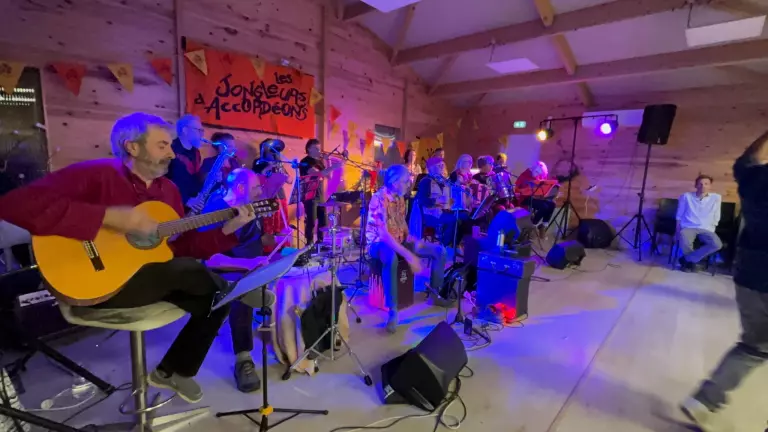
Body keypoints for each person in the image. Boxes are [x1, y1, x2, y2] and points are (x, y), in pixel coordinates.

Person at [0, 112, 263, 404]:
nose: (172, 154)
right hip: (98, 283)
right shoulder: (96, 175)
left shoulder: (168, 191)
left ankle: (173, 370)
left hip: (149, 279)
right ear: (132, 147)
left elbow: (180, 248)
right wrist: (108, 218)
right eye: (163, 145)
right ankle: (237, 290)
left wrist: (227, 230)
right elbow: (13, 205)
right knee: (192, 274)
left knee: (215, 298)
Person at [680, 131, 768, 431]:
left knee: (753, 347)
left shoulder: (754, 178)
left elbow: (745, 160)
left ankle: (705, 401)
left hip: (750, 275)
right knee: (756, 348)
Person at [201, 168, 274, 393]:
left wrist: (270, 241)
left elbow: (251, 240)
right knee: (241, 290)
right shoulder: (216, 211)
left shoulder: (249, 206)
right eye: (256, 187)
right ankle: (243, 358)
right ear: (240, 188)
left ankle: (288, 341)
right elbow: (211, 259)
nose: (260, 192)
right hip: (228, 270)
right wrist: (249, 264)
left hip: (255, 264)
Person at [366, 165, 445, 334]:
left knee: (439, 251)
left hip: (398, 240)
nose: (409, 184)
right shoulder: (378, 198)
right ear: (395, 182)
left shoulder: (401, 198)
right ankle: (393, 310)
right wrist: (409, 256)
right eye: (406, 181)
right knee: (390, 257)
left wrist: (416, 242)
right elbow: (384, 236)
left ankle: (434, 293)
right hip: (377, 243)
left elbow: (403, 226)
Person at [417, 157, 470, 246]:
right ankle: (444, 245)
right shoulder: (426, 181)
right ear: (430, 168)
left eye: (442, 165)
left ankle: (455, 244)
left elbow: (449, 197)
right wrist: (437, 200)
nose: (442, 167)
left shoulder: (443, 181)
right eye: (439, 166)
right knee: (454, 220)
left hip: (444, 212)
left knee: (466, 216)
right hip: (431, 214)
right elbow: (422, 200)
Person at [299, 139, 343, 245]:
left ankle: (320, 242)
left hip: (320, 195)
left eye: (319, 148)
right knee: (311, 221)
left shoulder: (319, 162)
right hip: (309, 195)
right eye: (316, 148)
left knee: (323, 221)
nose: (319, 151)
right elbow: (317, 174)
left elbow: (329, 176)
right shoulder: (305, 162)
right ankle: (309, 244)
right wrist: (332, 167)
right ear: (309, 149)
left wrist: (328, 161)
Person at [675, 174, 723, 272]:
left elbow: (717, 214)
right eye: (700, 184)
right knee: (684, 238)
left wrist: (713, 226)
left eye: (706, 184)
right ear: (696, 185)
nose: (703, 186)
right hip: (688, 226)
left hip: (706, 227)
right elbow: (679, 214)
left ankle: (686, 260)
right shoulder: (686, 196)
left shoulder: (716, 198)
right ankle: (690, 264)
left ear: (710, 186)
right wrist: (677, 229)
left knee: (717, 244)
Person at [252, 139, 291, 252]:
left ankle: (282, 249)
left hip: (280, 196)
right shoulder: (258, 162)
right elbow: (258, 177)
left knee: (281, 226)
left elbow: (289, 180)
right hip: (266, 198)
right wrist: (269, 165)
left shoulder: (278, 163)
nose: (274, 152)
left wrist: (280, 166)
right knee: (268, 226)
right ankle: (268, 251)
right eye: (272, 148)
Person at [165, 114, 206, 210]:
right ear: (185, 130)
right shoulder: (169, 149)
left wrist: (208, 176)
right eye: (198, 130)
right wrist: (185, 199)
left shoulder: (196, 152)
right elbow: (162, 181)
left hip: (192, 206)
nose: (202, 135)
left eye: (202, 131)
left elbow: (193, 178)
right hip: (173, 206)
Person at [515, 161, 556, 238]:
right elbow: (517, 189)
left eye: (539, 173)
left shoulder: (537, 176)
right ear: (533, 168)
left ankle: (543, 226)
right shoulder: (524, 175)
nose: (538, 175)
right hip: (525, 198)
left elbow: (541, 190)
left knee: (552, 204)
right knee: (544, 207)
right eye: (537, 172)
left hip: (535, 197)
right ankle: (532, 225)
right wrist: (525, 190)